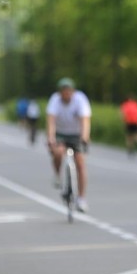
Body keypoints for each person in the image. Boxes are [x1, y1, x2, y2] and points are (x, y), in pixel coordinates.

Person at [46, 77, 92, 212]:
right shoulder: (55, 100)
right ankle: (57, 174)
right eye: (63, 91)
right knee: (58, 152)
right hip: (61, 133)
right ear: (60, 92)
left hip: (76, 134)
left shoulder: (80, 99)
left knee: (80, 164)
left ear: (73, 91)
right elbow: (51, 121)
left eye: (68, 91)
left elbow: (85, 120)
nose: (66, 94)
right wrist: (50, 137)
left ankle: (81, 198)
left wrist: (84, 137)